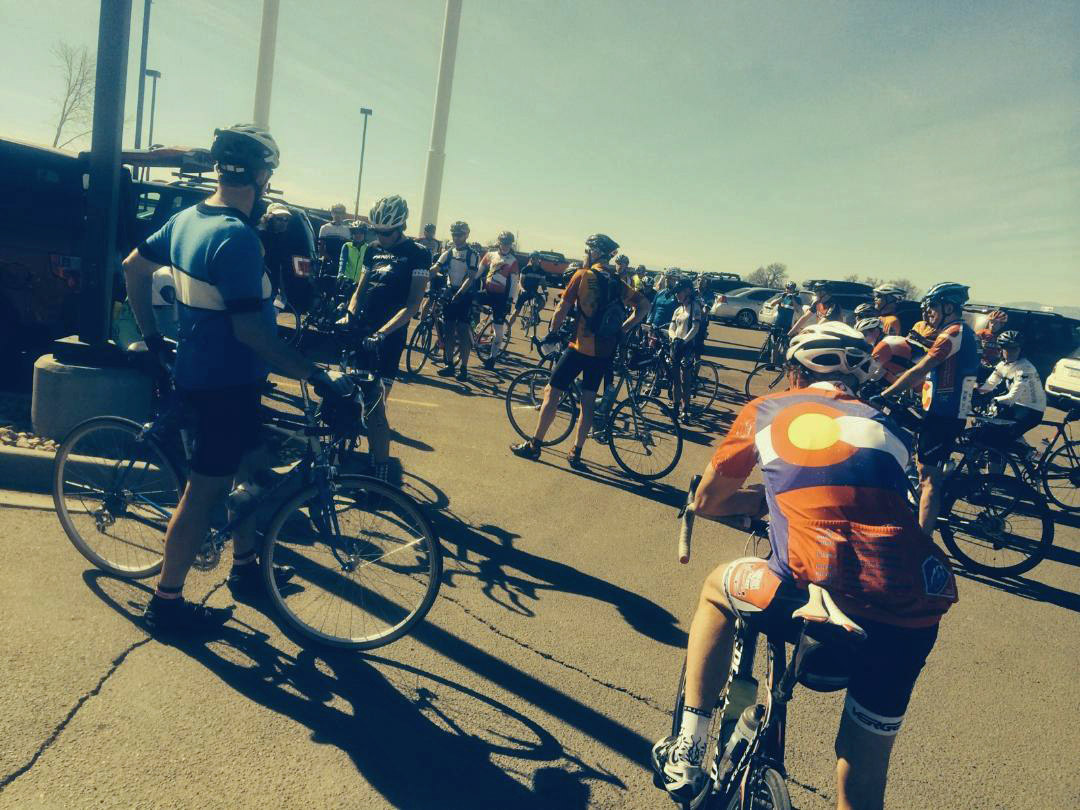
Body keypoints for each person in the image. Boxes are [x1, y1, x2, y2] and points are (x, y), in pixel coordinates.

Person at [651, 321, 956, 809]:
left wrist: (757, 502)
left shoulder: (768, 408)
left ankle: (687, 748)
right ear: (860, 377)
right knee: (863, 773)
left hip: (815, 590)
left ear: (794, 372)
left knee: (714, 587)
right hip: (914, 606)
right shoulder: (889, 426)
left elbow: (708, 500)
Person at [121, 123, 354, 633]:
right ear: (263, 174)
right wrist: (317, 375)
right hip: (220, 387)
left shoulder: (188, 219)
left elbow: (133, 268)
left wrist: (153, 336)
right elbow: (251, 333)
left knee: (250, 471)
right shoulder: (236, 238)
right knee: (203, 495)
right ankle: (165, 604)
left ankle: (246, 568)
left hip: (216, 379)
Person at [510, 233, 649, 469]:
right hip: (604, 351)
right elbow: (645, 305)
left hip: (579, 347)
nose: (586, 254)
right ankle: (576, 452)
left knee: (552, 393)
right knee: (588, 402)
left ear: (595, 252)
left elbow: (561, 309)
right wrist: (623, 329)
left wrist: (552, 332)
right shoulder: (618, 283)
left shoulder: (582, 275)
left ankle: (534, 445)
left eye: (588, 250)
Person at [343, 194, 431, 481]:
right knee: (344, 400)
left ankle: (380, 469)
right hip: (362, 331)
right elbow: (359, 291)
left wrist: (382, 333)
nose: (382, 237)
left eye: (387, 232)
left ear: (401, 226)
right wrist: (348, 315)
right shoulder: (372, 250)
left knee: (374, 409)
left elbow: (413, 303)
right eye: (377, 232)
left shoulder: (418, 253)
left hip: (388, 337)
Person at [883, 282, 979, 533]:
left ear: (949, 307)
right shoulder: (958, 332)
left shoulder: (953, 333)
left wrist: (885, 394)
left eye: (933, 306)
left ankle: (922, 540)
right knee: (925, 468)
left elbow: (920, 368)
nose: (928, 312)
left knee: (928, 479)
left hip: (943, 415)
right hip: (943, 412)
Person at [972, 331, 1046, 469]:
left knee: (998, 440)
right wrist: (974, 393)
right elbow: (988, 385)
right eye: (1008, 349)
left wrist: (992, 399)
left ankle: (1028, 453)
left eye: (1015, 349)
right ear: (1001, 349)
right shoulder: (1003, 365)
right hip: (1017, 406)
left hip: (1031, 410)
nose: (1011, 352)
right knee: (988, 432)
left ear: (1020, 349)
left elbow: (1012, 397)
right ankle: (993, 470)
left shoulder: (1025, 368)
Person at [434, 220, 482, 381]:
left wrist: (460, 293)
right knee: (448, 330)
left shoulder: (472, 254)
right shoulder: (449, 252)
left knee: (462, 331)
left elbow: (471, 277)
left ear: (466, 235)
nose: (456, 237)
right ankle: (449, 364)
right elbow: (435, 268)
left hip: (465, 294)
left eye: (460, 235)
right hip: (450, 291)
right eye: (454, 234)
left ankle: (464, 368)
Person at [478, 231, 520, 370]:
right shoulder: (490, 255)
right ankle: (473, 329)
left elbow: (514, 283)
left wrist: (510, 300)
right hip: (487, 292)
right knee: (468, 301)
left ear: (511, 244)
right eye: (503, 242)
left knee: (498, 330)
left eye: (508, 243)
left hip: (501, 297)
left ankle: (492, 358)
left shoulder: (513, 260)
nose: (505, 245)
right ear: (499, 242)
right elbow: (478, 272)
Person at [667, 277, 706, 417]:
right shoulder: (678, 310)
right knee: (675, 380)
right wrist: (674, 338)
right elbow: (671, 328)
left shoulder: (695, 307)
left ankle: (685, 409)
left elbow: (695, 327)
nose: (677, 295)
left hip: (687, 347)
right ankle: (675, 407)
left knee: (685, 381)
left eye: (679, 292)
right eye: (676, 292)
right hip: (676, 346)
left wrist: (684, 341)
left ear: (688, 291)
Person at [509, 252, 548, 328]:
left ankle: (532, 315)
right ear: (530, 259)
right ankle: (508, 328)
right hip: (524, 292)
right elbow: (520, 282)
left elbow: (543, 283)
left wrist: (545, 291)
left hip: (534, 292)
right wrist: (522, 289)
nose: (535, 260)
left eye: (537, 259)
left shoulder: (542, 271)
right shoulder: (525, 269)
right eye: (533, 258)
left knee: (542, 303)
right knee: (516, 311)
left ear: (539, 260)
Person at [318, 203, 351, 272]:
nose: (337, 215)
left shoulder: (347, 230)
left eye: (340, 213)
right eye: (335, 212)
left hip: (341, 264)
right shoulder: (324, 228)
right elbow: (320, 248)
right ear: (332, 213)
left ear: (344, 214)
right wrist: (329, 259)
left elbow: (348, 249)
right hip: (326, 263)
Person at [338, 221, 369, 285]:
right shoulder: (347, 246)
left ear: (365, 234)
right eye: (355, 233)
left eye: (361, 233)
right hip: (346, 281)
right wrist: (340, 274)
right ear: (352, 234)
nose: (358, 235)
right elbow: (342, 261)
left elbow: (368, 267)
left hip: (361, 283)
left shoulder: (368, 248)